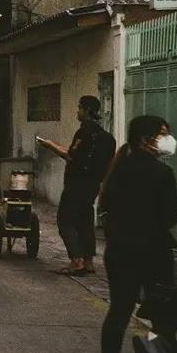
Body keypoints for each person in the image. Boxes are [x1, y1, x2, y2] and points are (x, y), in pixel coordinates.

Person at [96, 115, 177, 353]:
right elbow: (172, 215)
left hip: (120, 250)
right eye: (163, 134)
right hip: (154, 252)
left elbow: (105, 208)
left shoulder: (118, 169)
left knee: (119, 310)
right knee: (162, 313)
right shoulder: (162, 174)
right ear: (146, 140)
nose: (168, 140)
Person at [37, 96, 116, 276]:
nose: (77, 111)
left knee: (65, 220)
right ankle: (88, 261)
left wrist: (50, 145)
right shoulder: (107, 138)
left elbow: (71, 156)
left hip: (76, 184)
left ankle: (76, 261)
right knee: (85, 221)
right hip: (93, 185)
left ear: (87, 111)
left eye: (79, 108)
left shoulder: (84, 134)